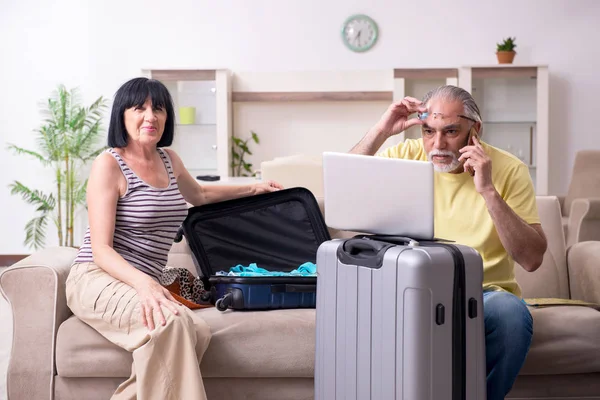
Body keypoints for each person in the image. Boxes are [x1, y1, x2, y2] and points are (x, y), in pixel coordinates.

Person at [65, 77, 283, 400]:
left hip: (139, 282)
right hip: (98, 278)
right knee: (172, 325)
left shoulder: (169, 160)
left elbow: (201, 193)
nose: (150, 116)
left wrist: (253, 187)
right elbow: (100, 250)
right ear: (122, 116)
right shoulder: (108, 165)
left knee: (199, 329)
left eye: (159, 109)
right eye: (139, 108)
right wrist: (144, 284)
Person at [351, 85, 548, 400]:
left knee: (511, 316)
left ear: (475, 130)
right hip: (408, 287)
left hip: (482, 293)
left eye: (451, 132)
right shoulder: (404, 157)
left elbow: (532, 258)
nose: (437, 144)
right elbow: (345, 186)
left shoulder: (509, 169)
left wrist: (488, 191)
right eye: (429, 131)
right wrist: (381, 130)